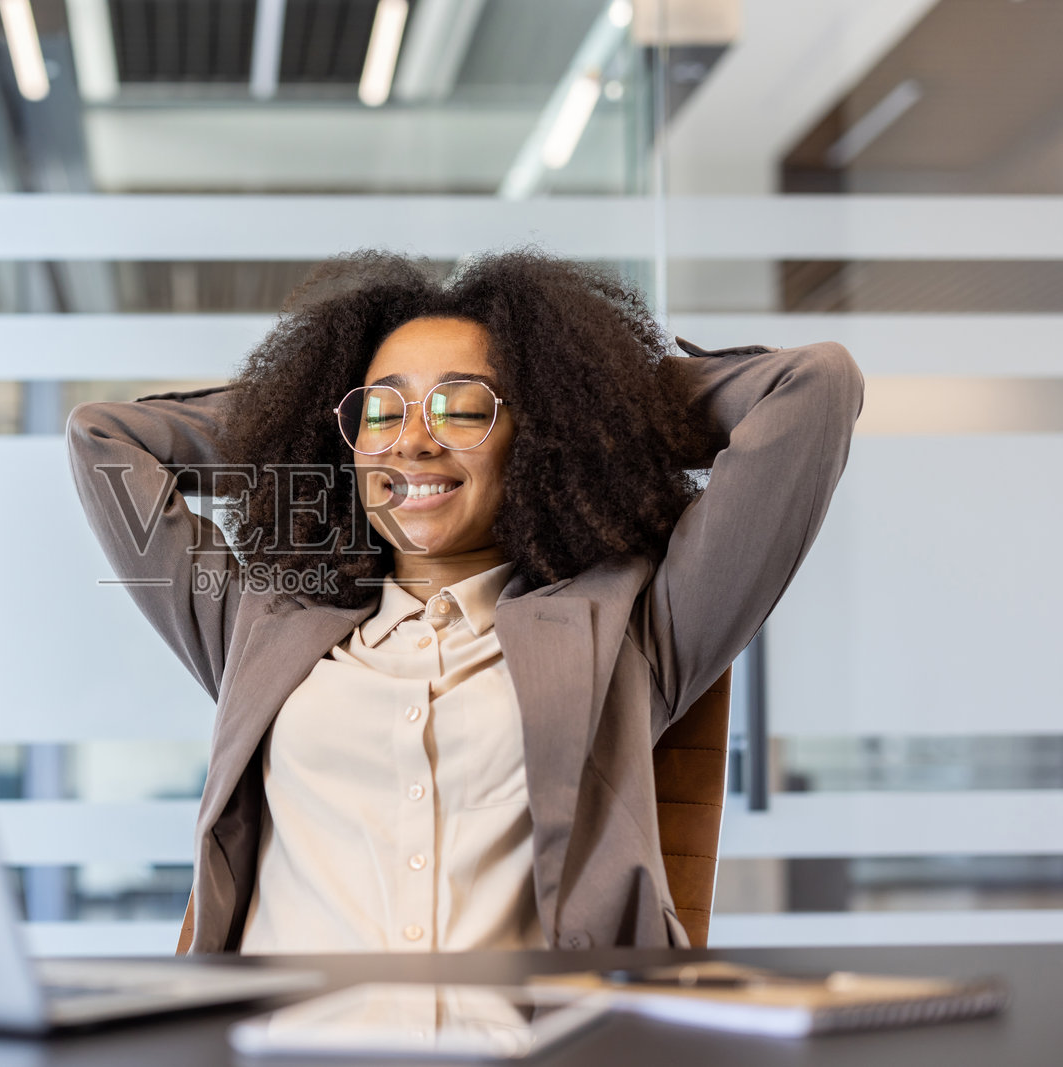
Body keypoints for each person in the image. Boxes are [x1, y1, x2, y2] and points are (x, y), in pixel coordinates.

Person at [66, 250, 864, 954]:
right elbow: (103, 439)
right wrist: (294, 419)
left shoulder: (628, 627)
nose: (413, 440)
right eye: (382, 411)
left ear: (539, 432)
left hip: (538, 1044)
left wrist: (611, 405)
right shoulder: (261, 628)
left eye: (463, 406)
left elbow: (815, 386)